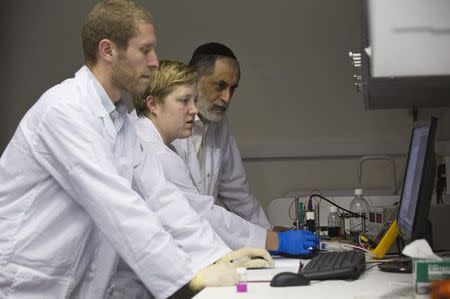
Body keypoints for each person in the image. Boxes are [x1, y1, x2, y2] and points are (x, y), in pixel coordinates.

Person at [0, 2, 272, 298]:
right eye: (145, 50)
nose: (155, 61)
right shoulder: (64, 111)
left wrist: (217, 257)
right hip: (25, 282)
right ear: (108, 51)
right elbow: (118, 206)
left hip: (68, 280)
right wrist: (188, 280)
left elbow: (161, 197)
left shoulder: (120, 122)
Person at [133, 60, 319, 255]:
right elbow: (201, 213)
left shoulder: (157, 140)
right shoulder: (155, 152)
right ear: (153, 104)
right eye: (184, 100)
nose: (194, 110)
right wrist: (274, 241)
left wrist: (268, 234)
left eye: (194, 100)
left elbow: (236, 192)